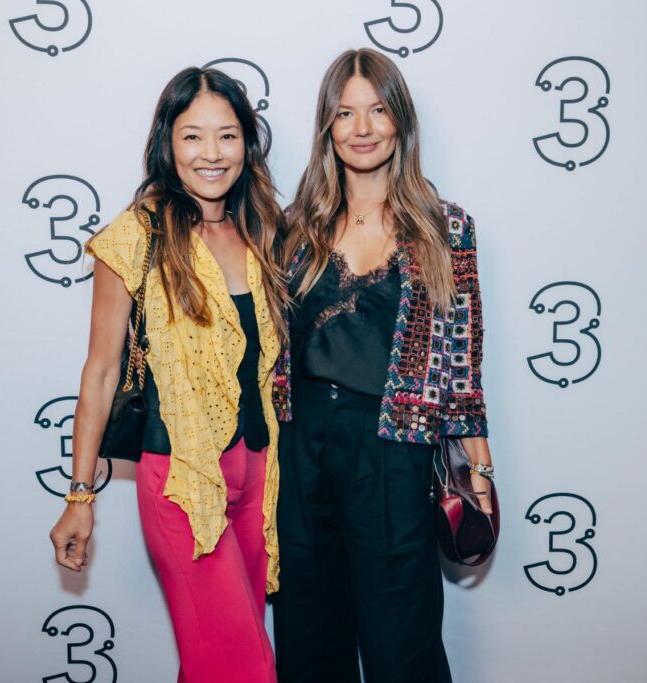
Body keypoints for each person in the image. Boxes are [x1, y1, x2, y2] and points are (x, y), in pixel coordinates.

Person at [49, 67, 288, 683]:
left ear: (247, 142)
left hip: (261, 476)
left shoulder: (264, 230)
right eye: (192, 136)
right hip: (181, 479)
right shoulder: (137, 235)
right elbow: (101, 370)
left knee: (215, 661)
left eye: (227, 135)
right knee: (245, 668)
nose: (212, 153)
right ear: (167, 142)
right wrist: (80, 498)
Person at [272, 48, 495, 683]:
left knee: (403, 642)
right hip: (299, 446)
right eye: (345, 113)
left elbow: (463, 366)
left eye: (376, 110)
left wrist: (479, 470)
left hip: (394, 449)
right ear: (327, 125)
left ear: (400, 120)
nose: (362, 128)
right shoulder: (292, 229)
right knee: (309, 635)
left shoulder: (444, 229)